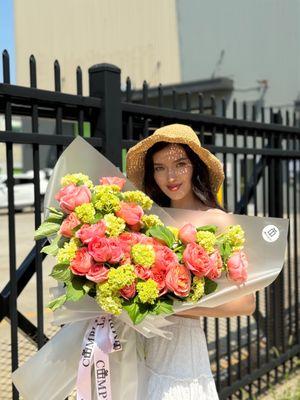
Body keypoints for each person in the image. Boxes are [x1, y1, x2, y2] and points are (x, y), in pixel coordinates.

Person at [126, 123, 256, 400]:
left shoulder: (218, 221)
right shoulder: (147, 220)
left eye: (180, 164)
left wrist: (167, 307)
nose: (170, 176)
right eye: (159, 167)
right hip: (137, 347)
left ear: (195, 165)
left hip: (182, 351)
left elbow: (246, 303)